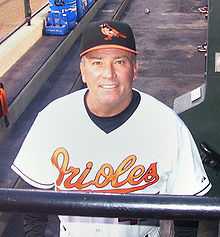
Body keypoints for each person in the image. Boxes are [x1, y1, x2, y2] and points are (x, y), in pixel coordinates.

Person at [11, 20, 211, 237]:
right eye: (97, 62)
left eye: (119, 61)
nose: (108, 73)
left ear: (135, 68)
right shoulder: (53, 119)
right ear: (83, 70)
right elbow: (32, 206)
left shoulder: (167, 125)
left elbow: (187, 212)